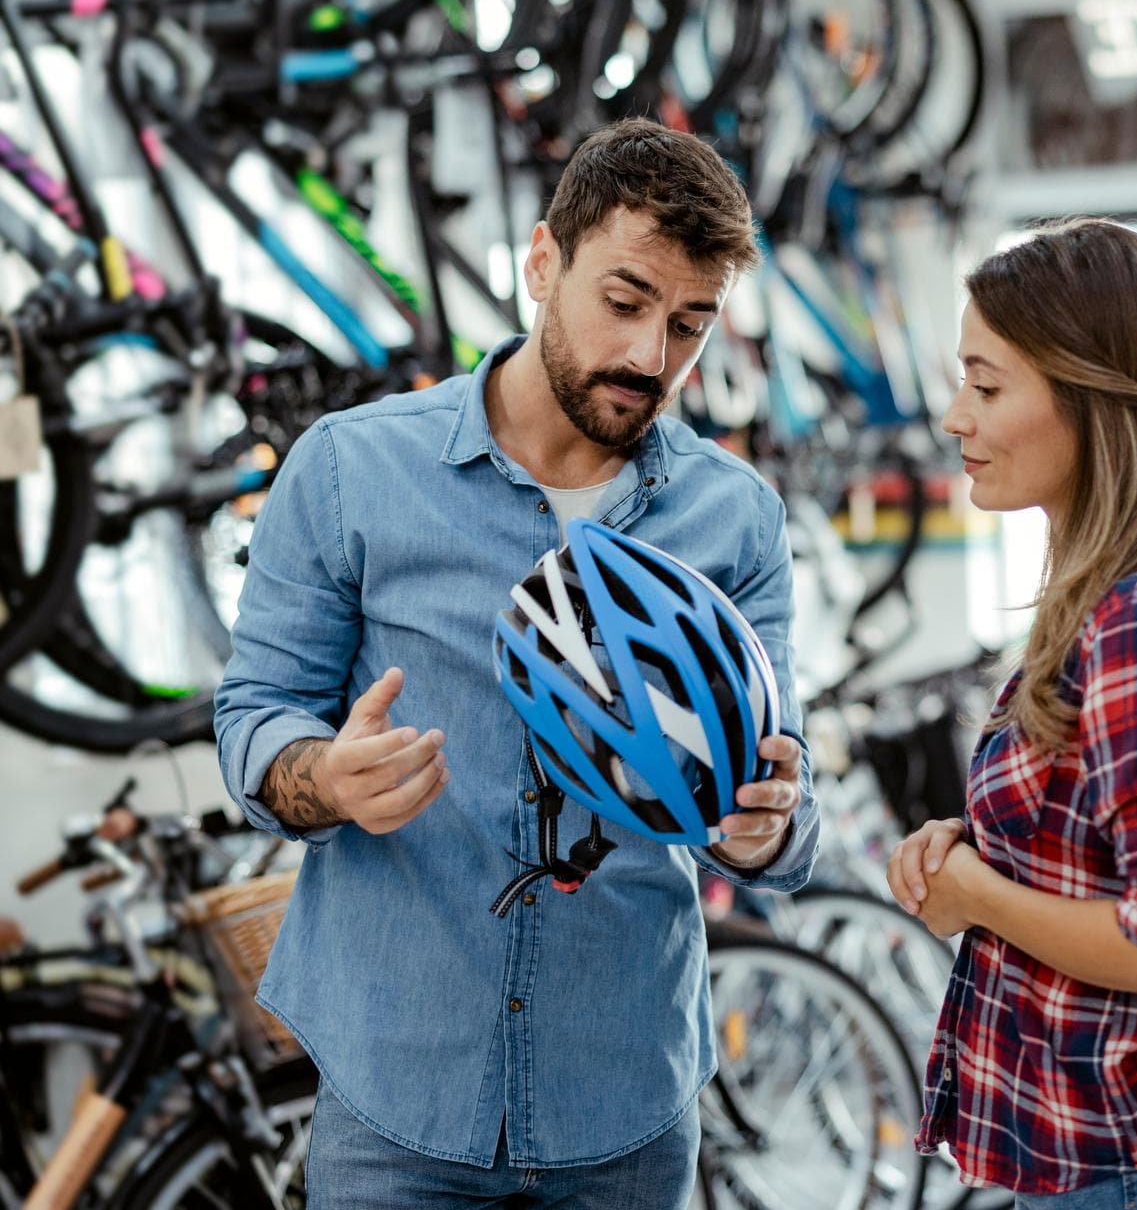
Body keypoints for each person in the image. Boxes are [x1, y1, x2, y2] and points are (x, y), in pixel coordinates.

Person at [215, 117, 819, 1210]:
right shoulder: (351, 471)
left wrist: (766, 823)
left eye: (690, 324)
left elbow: (783, 795)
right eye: (625, 301)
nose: (651, 357)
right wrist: (321, 777)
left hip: (623, 1099)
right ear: (542, 262)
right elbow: (255, 712)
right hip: (396, 1092)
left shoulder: (737, 519)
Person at [886, 219, 1137, 1209]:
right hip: (1104, 1162)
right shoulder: (1108, 599)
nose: (955, 416)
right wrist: (983, 847)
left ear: (1090, 398)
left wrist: (979, 896)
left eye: (987, 386)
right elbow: (1099, 845)